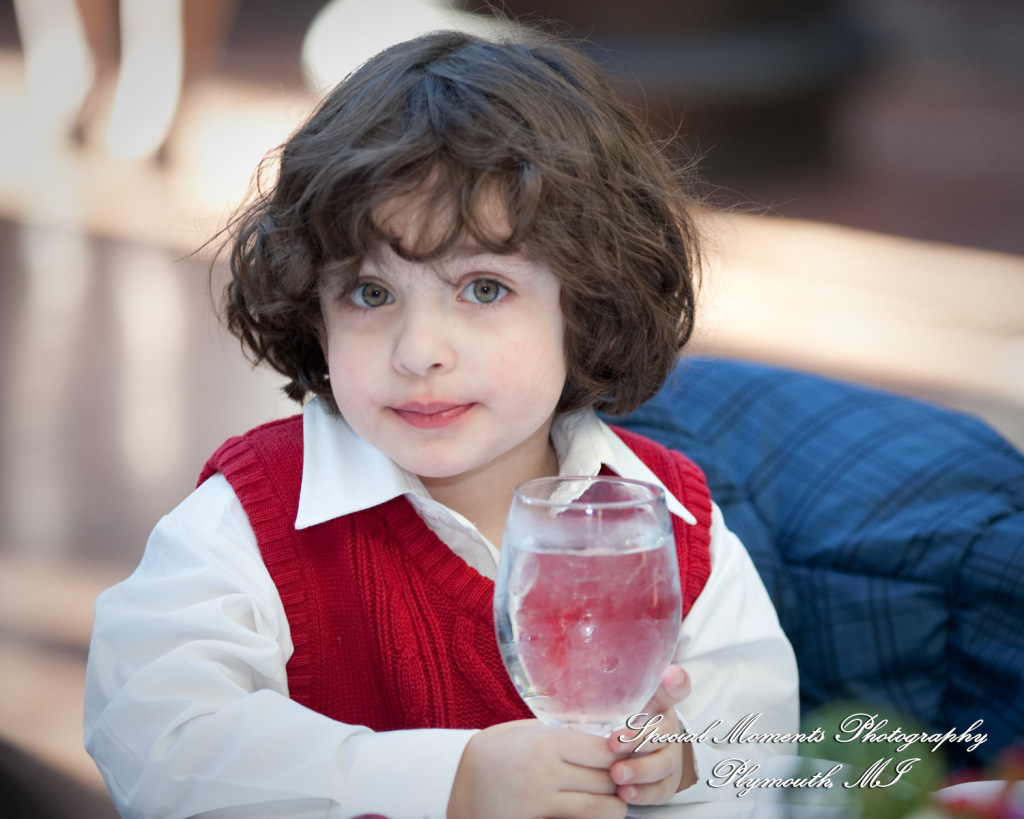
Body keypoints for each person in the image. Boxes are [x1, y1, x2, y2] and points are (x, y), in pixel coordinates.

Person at [84, 28, 799, 819]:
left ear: (588, 302)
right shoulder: (248, 522)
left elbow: (760, 738)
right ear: (313, 308)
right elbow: (157, 740)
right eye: (370, 293)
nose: (420, 351)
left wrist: (687, 753)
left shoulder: (662, 520)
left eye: (484, 288)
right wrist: (445, 779)